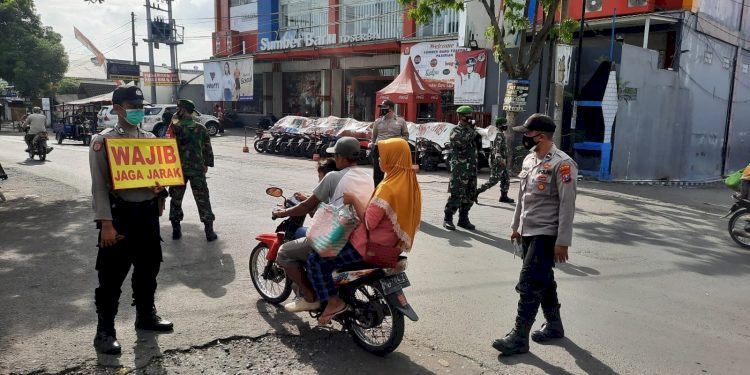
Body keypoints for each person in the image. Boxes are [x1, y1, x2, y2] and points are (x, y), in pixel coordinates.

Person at [89, 86, 173, 355]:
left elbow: (157, 176)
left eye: (139, 105)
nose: (136, 110)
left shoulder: (149, 139)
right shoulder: (103, 141)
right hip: (119, 216)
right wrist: (106, 223)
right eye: (130, 105)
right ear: (117, 108)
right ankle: (105, 331)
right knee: (111, 277)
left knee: (149, 269)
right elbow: (99, 186)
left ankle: (146, 315)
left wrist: (161, 192)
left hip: (147, 216)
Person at [307, 138, 421, 325]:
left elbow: (369, 221)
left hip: (366, 246)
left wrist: (353, 200)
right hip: (392, 247)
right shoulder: (410, 184)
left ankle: (334, 302)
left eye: (382, 156)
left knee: (315, 260)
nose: (378, 160)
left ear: (393, 158)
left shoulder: (387, 187)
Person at [492, 114, 578, 356]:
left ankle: (519, 337)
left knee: (530, 284)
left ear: (540, 136)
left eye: (527, 134)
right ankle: (554, 325)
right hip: (528, 231)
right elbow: (523, 198)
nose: (524, 138)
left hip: (546, 234)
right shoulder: (530, 160)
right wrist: (515, 226)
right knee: (544, 281)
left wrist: (562, 242)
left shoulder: (563, 164)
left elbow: (567, 206)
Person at [272, 138, 373, 312]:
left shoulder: (332, 176)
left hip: (338, 235)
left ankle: (310, 297)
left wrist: (281, 213)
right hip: (360, 234)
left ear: (340, 157)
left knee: (284, 253)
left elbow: (306, 206)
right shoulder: (367, 177)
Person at [168, 99, 218, 242]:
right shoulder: (200, 128)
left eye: (178, 109)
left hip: (178, 170)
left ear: (182, 110)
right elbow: (207, 148)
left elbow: (167, 143)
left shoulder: (175, 127)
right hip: (197, 170)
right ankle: (209, 232)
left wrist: (175, 118)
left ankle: (176, 230)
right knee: (203, 199)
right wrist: (207, 164)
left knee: (176, 199)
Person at [443, 106, 479, 231]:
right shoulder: (456, 131)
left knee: (470, 194)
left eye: (471, 116)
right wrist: (473, 132)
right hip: (460, 169)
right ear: (462, 117)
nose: (470, 118)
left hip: (471, 169)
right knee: (456, 194)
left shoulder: (471, 130)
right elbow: (460, 141)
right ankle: (448, 218)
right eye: (468, 116)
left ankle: (463, 219)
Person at [475, 117, 515, 204]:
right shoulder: (498, 134)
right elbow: (497, 149)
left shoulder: (497, 133)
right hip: (498, 160)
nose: (506, 125)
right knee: (493, 180)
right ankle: (476, 192)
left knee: (505, 178)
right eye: (504, 124)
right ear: (500, 125)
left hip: (500, 159)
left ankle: (503, 196)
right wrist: (501, 160)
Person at [370, 99, 409, 187]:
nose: (381, 110)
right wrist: (372, 146)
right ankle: (377, 193)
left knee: (394, 174)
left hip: (394, 151)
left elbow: (406, 136)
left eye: (383, 108)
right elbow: (374, 137)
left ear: (390, 109)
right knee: (377, 174)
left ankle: (392, 194)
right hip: (379, 149)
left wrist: (397, 143)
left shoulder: (401, 121)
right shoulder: (377, 121)